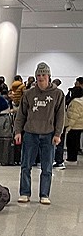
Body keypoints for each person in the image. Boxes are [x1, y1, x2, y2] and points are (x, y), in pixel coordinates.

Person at [14, 62, 66, 204]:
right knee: (26, 165)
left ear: (49, 76)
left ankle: (44, 194)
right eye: (38, 75)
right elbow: (21, 114)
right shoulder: (28, 94)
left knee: (47, 167)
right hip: (30, 133)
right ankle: (24, 193)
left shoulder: (58, 94)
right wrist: (18, 131)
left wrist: (58, 134)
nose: (41, 77)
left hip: (48, 134)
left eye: (43, 74)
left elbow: (61, 116)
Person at [64, 80, 83, 165]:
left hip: (74, 126)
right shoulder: (80, 101)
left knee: (71, 143)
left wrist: (68, 127)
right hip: (79, 125)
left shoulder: (75, 102)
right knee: (76, 143)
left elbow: (73, 116)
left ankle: (71, 159)